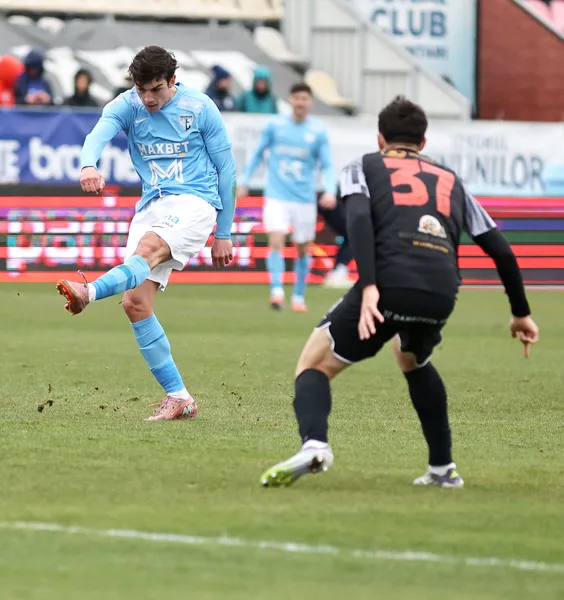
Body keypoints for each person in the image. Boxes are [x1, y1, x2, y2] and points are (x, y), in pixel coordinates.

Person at [259, 96, 539, 489]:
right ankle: (443, 469)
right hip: (442, 291)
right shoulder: (452, 180)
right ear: (423, 143)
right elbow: (502, 251)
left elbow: (358, 217)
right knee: (412, 358)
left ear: (380, 139)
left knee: (313, 365)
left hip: (389, 282)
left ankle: (315, 445)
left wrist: (369, 285)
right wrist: (521, 313)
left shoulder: (363, 165)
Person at [55, 46, 236, 421]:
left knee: (148, 249)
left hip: (196, 201)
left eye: (156, 89)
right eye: (142, 90)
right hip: (153, 204)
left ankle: (89, 292)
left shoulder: (200, 108)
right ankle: (179, 397)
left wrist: (224, 232)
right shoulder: (127, 105)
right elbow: (98, 133)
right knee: (135, 303)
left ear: (172, 80)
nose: (149, 98)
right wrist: (88, 164)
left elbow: (227, 170)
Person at [237, 83, 335, 313]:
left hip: (304, 198)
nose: (300, 102)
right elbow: (257, 154)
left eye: (304, 98)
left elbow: (328, 165)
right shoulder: (276, 126)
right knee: (276, 240)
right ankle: (277, 292)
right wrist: (245, 180)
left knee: (302, 248)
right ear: (290, 100)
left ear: (310, 102)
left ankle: (298, 296)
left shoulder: (317, 132)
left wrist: (330, 189)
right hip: (277, 196)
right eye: (296, 98)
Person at [317, 187, 354, 288]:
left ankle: (338, 272)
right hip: (327, 194)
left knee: (352, 234)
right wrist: (330, 192)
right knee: (354, 233)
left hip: (332, 194)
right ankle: (338, 273)